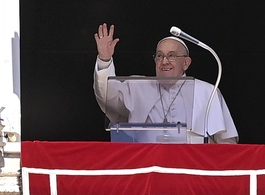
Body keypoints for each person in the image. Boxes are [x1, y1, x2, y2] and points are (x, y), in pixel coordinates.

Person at [93, 23, 238, 143]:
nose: (164, 61)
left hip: (191, 168)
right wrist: (104, 59)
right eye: (159, 56)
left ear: (186, 63)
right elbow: (107, 96)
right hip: (147, 165)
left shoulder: (207, 91)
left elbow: (226, 141)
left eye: (172, 56)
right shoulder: (137, 86)